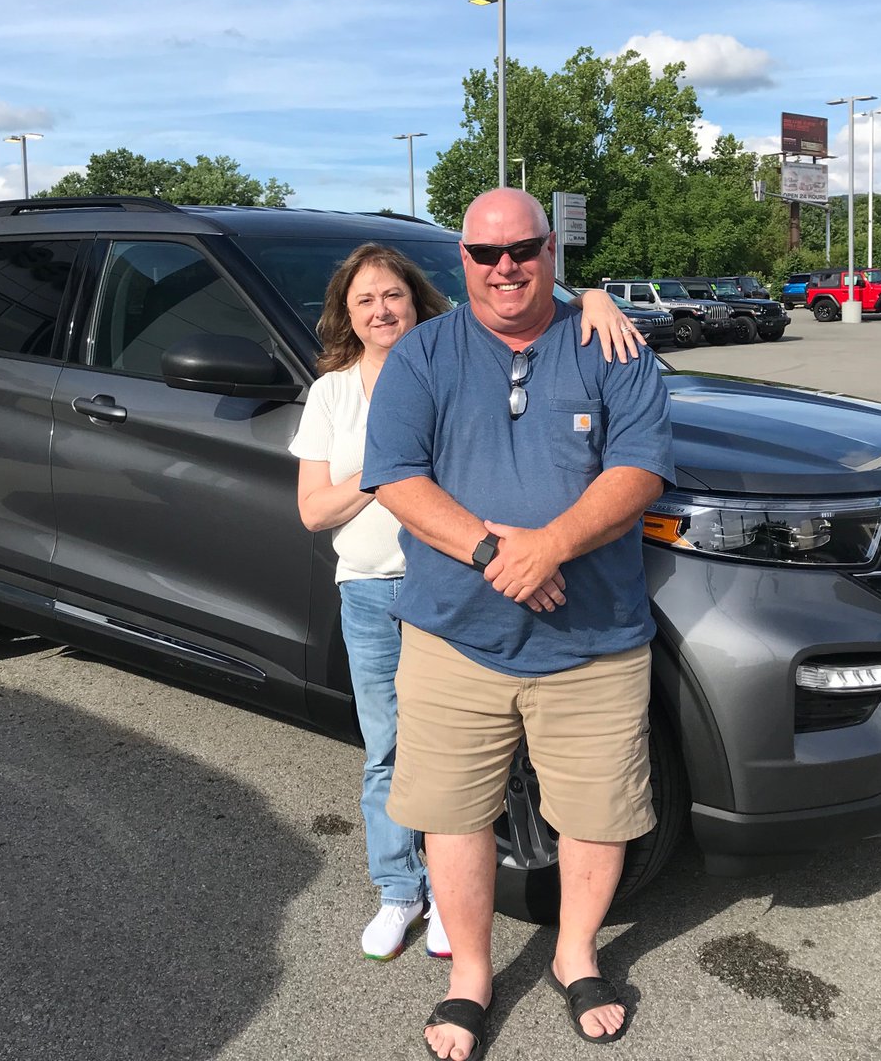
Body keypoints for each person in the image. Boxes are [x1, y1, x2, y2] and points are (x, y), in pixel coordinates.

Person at [361, 190, 675, 1058]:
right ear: (460, 259)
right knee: (453, 814)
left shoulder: (611, 344)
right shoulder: (421, 355)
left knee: (595, 812)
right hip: (453, 632)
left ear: (550, 250)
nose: (506, 267)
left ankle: (576, 957)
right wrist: (504, 553)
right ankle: (470, 976)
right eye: (486, 252)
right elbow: (394, 476)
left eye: (524, 249)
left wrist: (555, 546)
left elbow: (641, 469)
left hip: (594, 637)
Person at [289, 240, 645, 964]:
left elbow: (521, 303)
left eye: (393, 294)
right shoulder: (334, 393)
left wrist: (597, 297)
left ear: (418, 299)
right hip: (376, 587)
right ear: (347, 316)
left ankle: (458, 904)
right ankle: (400, 889)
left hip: (465, 583)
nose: (381, 309)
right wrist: (393, 463)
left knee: (474, 763)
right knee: (393, 751)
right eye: (365, 300)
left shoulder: (455, 359)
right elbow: (315, 510)